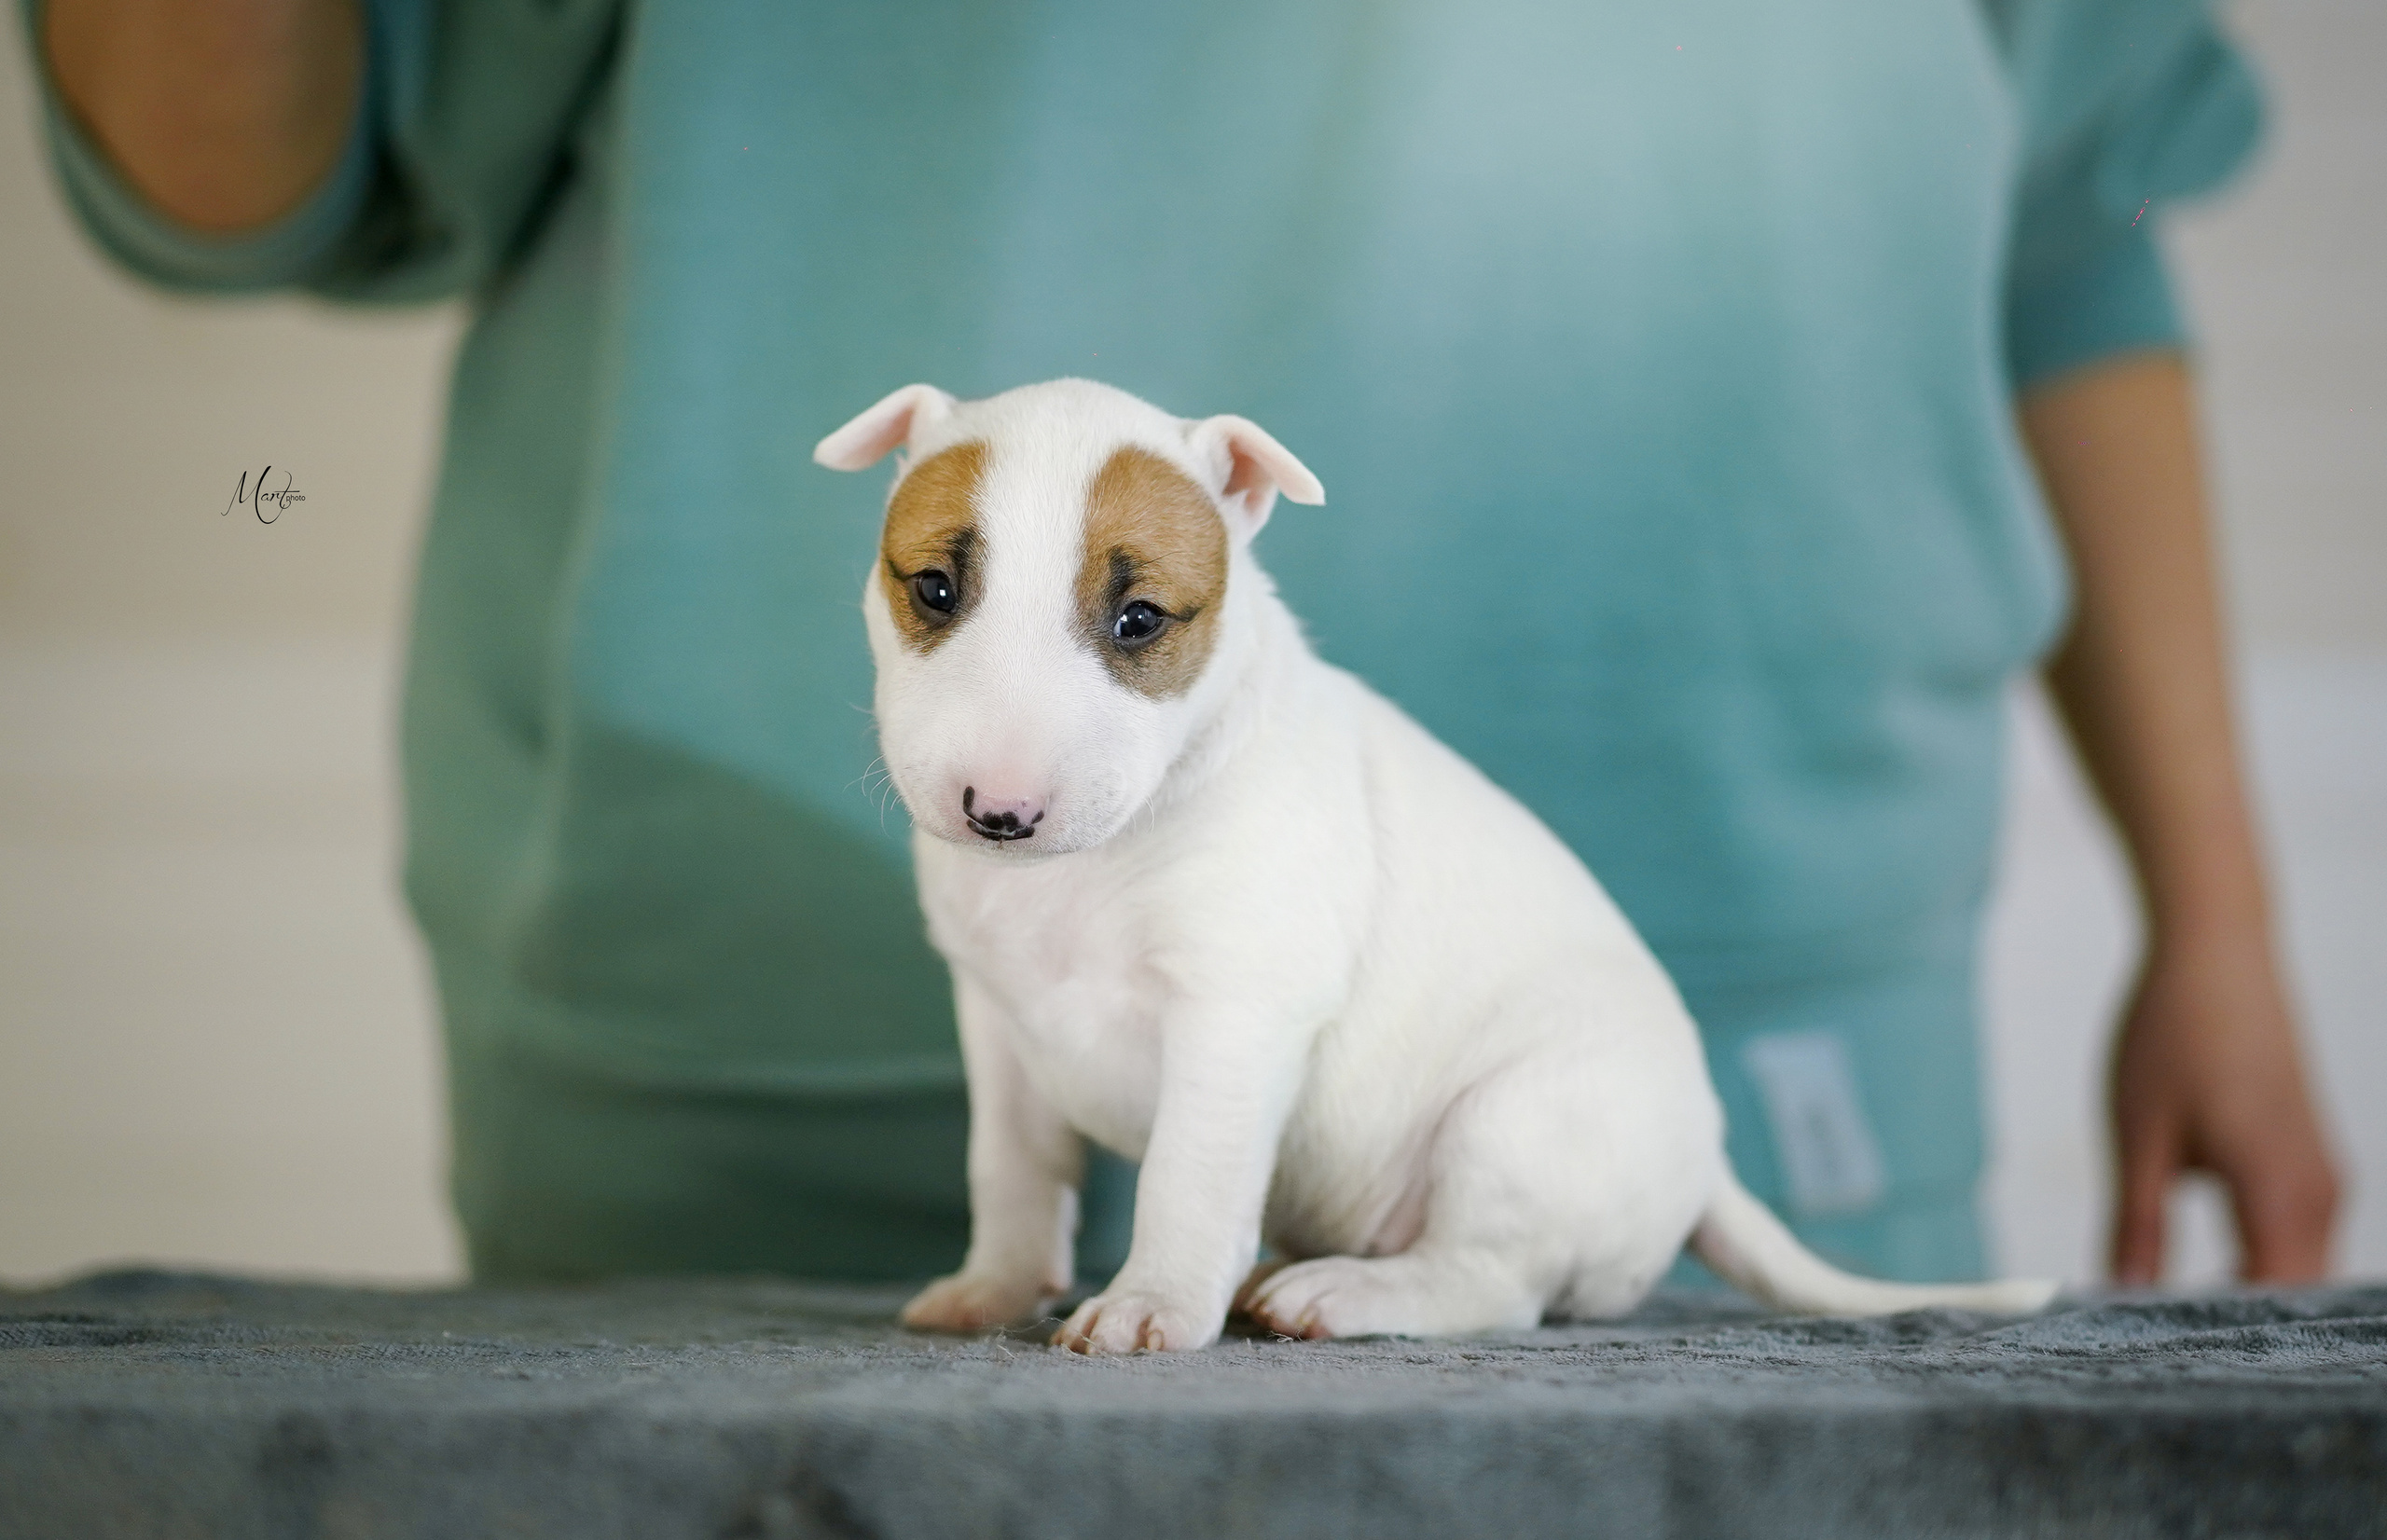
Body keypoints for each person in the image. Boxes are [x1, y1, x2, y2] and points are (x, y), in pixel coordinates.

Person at [34, 0, 2338, 1289]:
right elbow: (242, 169)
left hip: (1755, 1025)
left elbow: (2064, 220)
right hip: (725, 1108)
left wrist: (2218, 916)